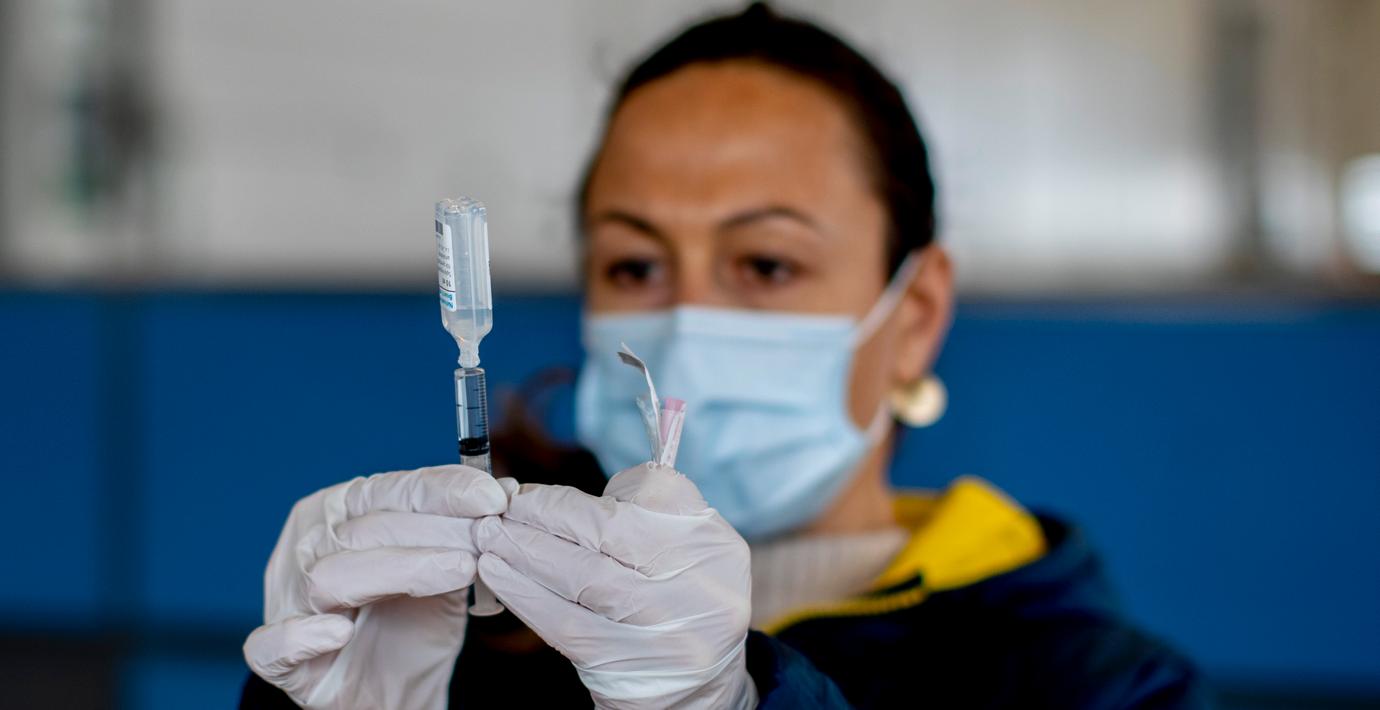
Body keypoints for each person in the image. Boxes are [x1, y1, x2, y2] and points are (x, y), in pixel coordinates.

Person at [240, 4, 1209, 708]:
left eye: (766, 263)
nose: (688, 319)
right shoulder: (466, 642)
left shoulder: (1099, 686)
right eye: (635, 265)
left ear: (914, 315)